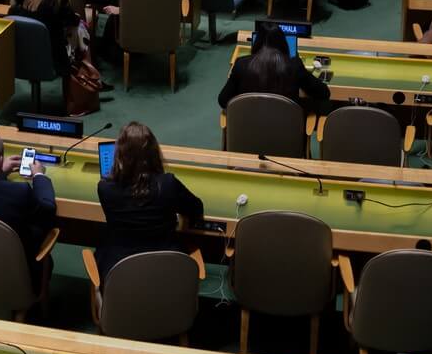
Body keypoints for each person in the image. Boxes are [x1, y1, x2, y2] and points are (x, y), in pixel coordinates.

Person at [94, 121, 205, 277]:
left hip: (122, 277)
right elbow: (196, 209)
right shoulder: (168, 184)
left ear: (119, 155)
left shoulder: (105, 189)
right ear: (153, 153)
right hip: (167, 275)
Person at [216, 22, 329, 109]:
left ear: (257, 42)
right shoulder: (294, 66)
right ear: (283, 43)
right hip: (286, 134)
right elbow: (324, 94)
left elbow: (223, 100)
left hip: (248, 132)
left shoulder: (241, 64)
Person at [13, 0, 88, 80]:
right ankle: (88, 73)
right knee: (82, 28)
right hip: (52, 54)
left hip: (28, 51)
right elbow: (71, 21)